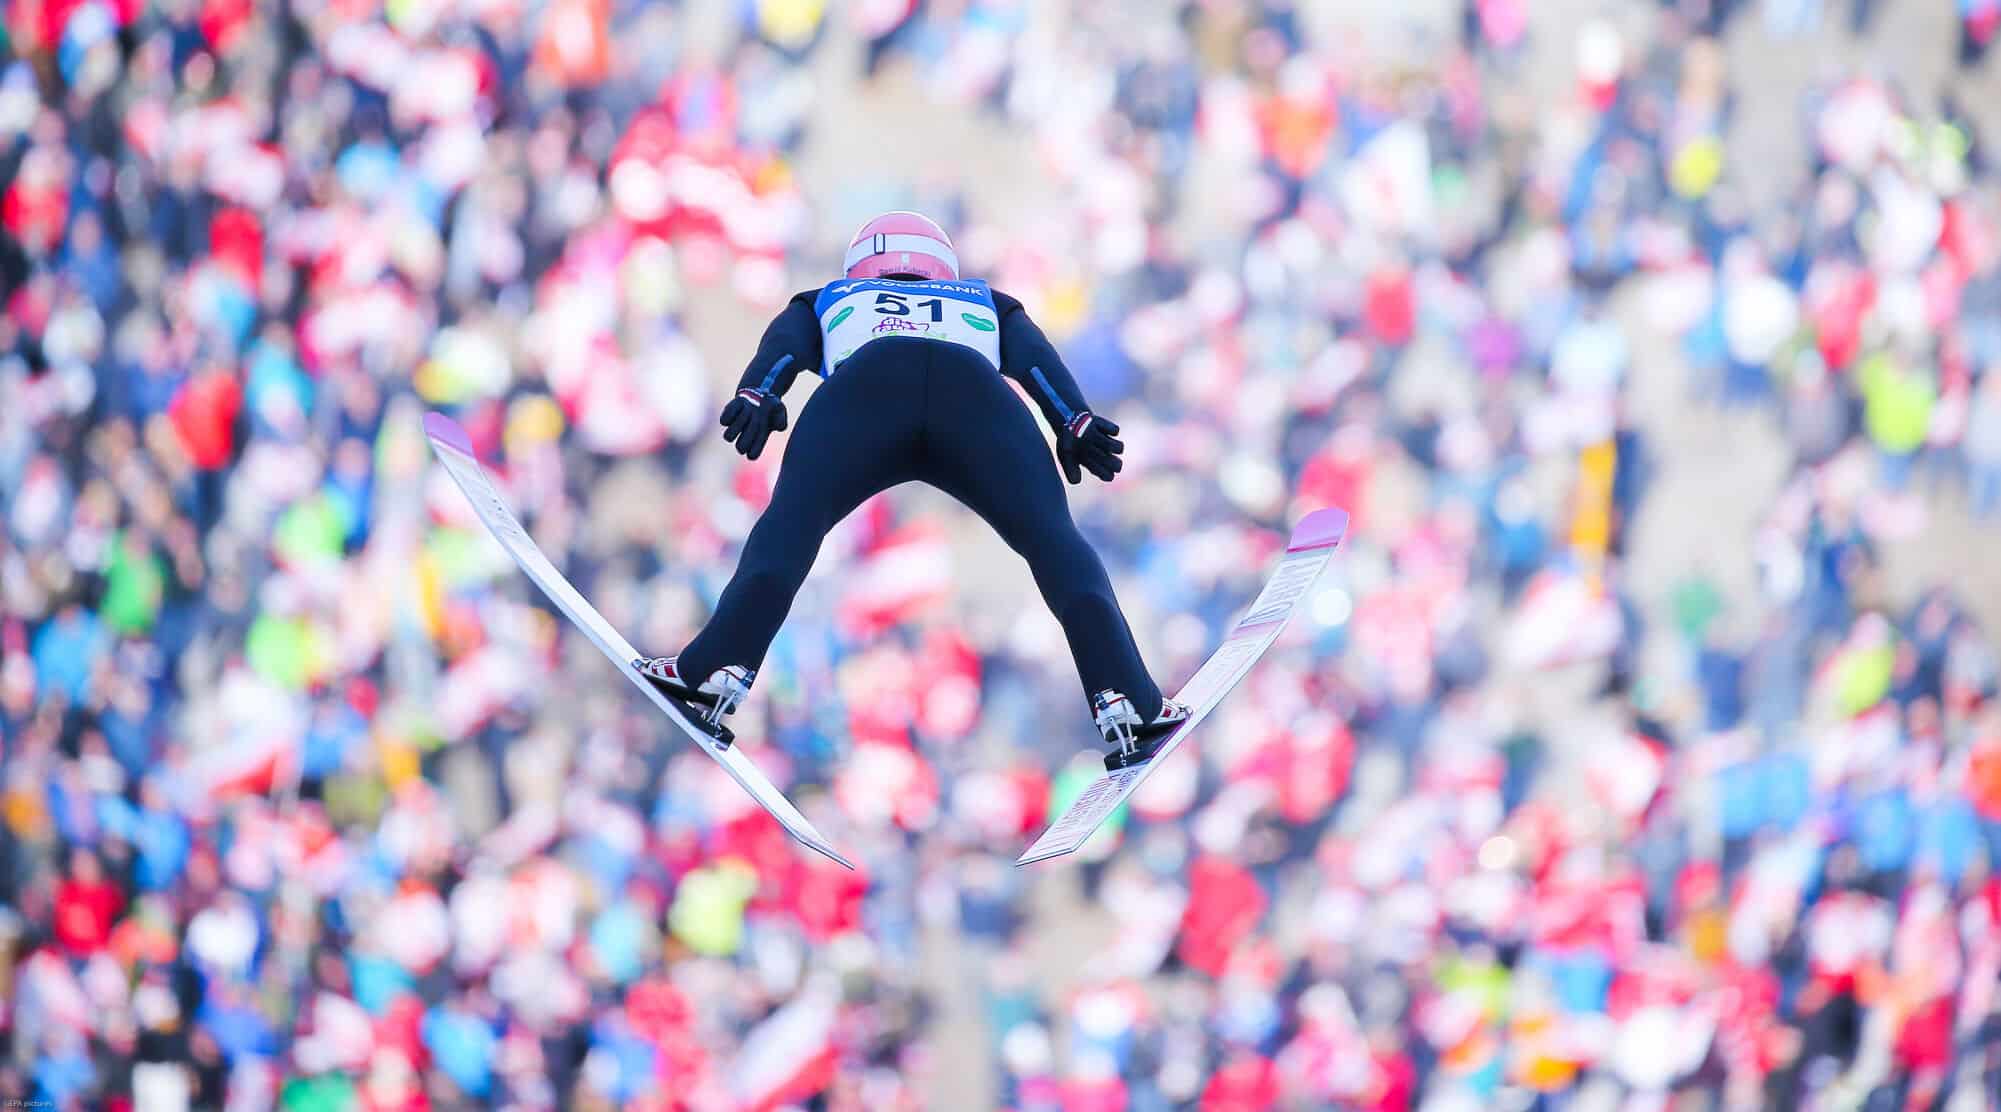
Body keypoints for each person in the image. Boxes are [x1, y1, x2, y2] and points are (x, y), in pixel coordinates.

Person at [636, 212, 1189, 757]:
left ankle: (714, 670)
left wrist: (759, 392)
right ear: (942, 269)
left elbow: (784, 346)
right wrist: (1075, 419)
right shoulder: (983, 299)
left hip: (867, 389)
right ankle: (1127, 699)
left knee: (790, 526)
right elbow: (1034, 358)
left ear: (861, 268)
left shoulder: (828, 297)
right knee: (1056, 543)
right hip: (975, 397)